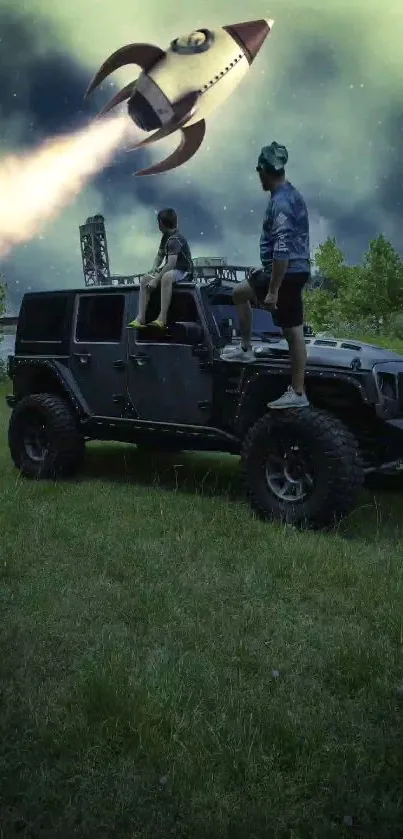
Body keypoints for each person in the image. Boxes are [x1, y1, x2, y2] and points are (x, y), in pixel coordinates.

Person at [223, 141, 311, 409]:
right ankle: (248, 351)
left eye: (259, 170)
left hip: (286, 273)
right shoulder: (289, 194)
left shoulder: (282, 202)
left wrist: (273, 289)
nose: (258, 176)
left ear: (265, 171)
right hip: (291, 271)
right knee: (243, 295)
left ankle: (296, 392)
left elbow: (282, 249)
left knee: (292, 332)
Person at [129, 207, 193, 329]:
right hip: (172, 268)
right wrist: (153, 269)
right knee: (145, 279)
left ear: (161, 224)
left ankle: (162, 317)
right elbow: (159, 256)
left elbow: (171, 264)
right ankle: (140, 318)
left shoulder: (175, 239)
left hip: (183, 270)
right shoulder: (165, 237)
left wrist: (156, 280)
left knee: (167, 277)